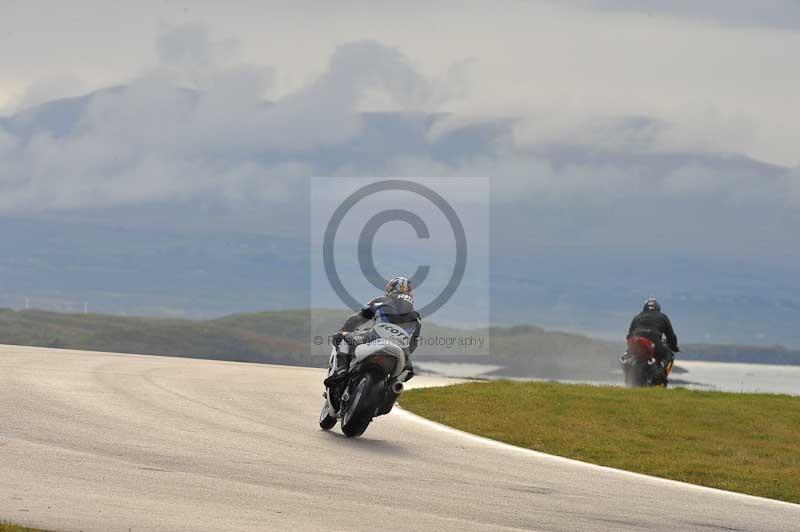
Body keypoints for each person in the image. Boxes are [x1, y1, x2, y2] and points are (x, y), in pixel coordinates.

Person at [324, 276, 421, 387]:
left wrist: (345, 330)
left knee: (341, 338)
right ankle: (391, 389)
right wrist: (406, 355)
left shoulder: (380, 301)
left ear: (391, 289)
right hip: (402, 351)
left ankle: (341, 371)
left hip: (376, 337)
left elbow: (356, 319)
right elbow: (413, 344)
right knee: (407, 372)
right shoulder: (417, 316)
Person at [627, 297, 680, 369]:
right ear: (658, 307)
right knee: (668, 354)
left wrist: (631, 345)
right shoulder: (663, 317)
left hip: (636, 342)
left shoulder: (637, 317)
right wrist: (674, 347)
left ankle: (627, 367)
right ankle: (661, 370)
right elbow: (671, 335)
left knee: (627, 355)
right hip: (654, 342)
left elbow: (629, 335)